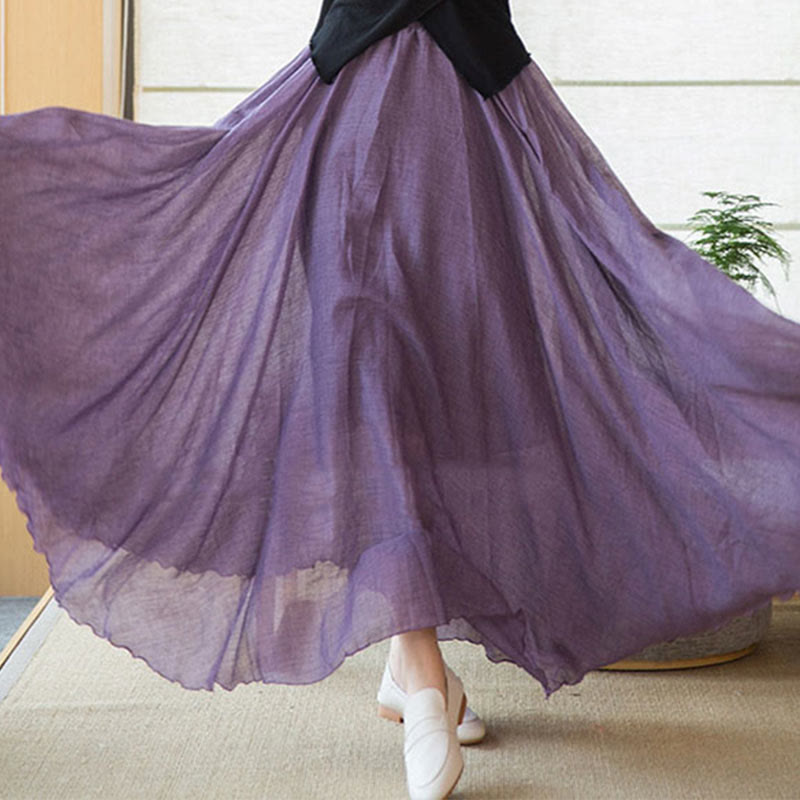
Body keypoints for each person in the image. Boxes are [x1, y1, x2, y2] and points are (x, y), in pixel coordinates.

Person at [1, 2, 799, 798]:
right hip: (351, 116)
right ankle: (421, 676)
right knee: (370, 380)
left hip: (471, 123)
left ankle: (407, 666)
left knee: (445, 397)